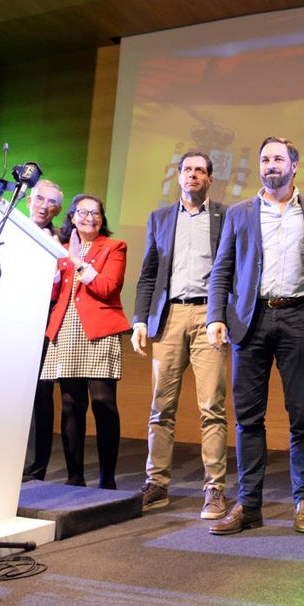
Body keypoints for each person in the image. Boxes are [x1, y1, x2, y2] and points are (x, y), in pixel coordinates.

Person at [206, 136, 304, 535]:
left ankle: (303, 501)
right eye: (264, 159)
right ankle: (250, 504)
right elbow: (222, 269)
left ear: (294, 165)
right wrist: (215, 316)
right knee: (248, 419)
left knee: (302, 416)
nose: (270, 164)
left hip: (296, 318)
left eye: (278, 158)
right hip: (250, 321)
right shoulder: (240, 212)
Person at [131, 151, 229, 520]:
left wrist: (224, 315)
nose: (193, 176)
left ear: (209, 179)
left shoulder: (224, 216)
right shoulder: (159, 218)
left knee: (212, 407)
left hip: (209, 315)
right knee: (161, 407)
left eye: (200, 171)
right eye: (187, 170)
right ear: (178, 176)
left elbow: (232, 267)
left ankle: (214, 487)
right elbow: (148, 274)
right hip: (168, 316)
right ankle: (156, 484)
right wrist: (140, 320)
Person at [41, 193, 131, 489]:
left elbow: (108, 287)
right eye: (82, 212)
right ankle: (74, 477)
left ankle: (107, 478)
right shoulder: (62, 249)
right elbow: (53, 295)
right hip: (66, 326)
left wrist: (75, 261)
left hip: (99, 328)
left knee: (104, 402)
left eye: (96, 213)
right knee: (70, 404)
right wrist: (56, 269)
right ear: (71, 217)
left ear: (102, 219)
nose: (89, 218)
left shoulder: (114, 247)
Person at [22, 179, 63, 482]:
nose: (43, 206)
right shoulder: (7, 230)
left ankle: (35, 467)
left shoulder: (63, 240)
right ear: (27, 200)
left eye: (51, 202)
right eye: (39, 198)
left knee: (40, 393)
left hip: (46, 319)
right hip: (8, 317)